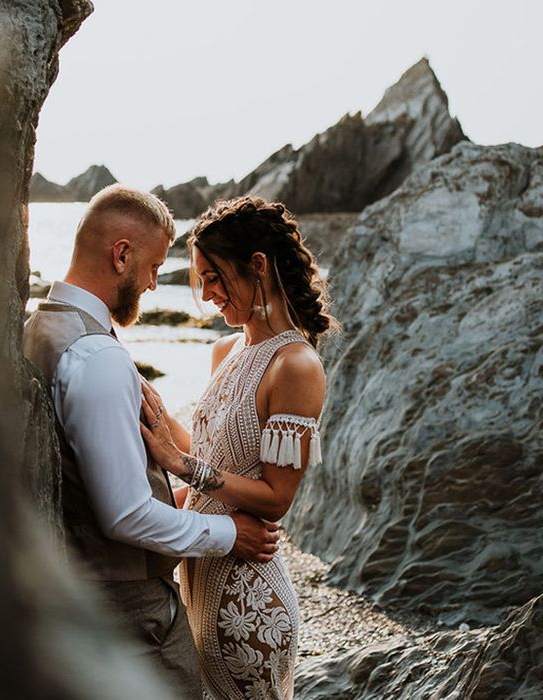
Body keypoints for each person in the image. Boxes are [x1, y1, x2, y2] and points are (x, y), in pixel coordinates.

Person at [22, 185, 280, 699]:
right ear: (121, 254)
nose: (153, 285)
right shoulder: (97, 357)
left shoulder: (37, 327)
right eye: (153, 267)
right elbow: (125, 515)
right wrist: (231, 533)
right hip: (133, 617)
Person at [140, 196, 338, 699]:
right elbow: (215, 450)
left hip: (249, 607)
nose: (207, 296)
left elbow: (276, 498)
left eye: (214, 277)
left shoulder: (296, 366)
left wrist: (180, 464)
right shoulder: (225, 350)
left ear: (258, 266)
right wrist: (158, 415)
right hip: (198, 587)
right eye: (200, 280)